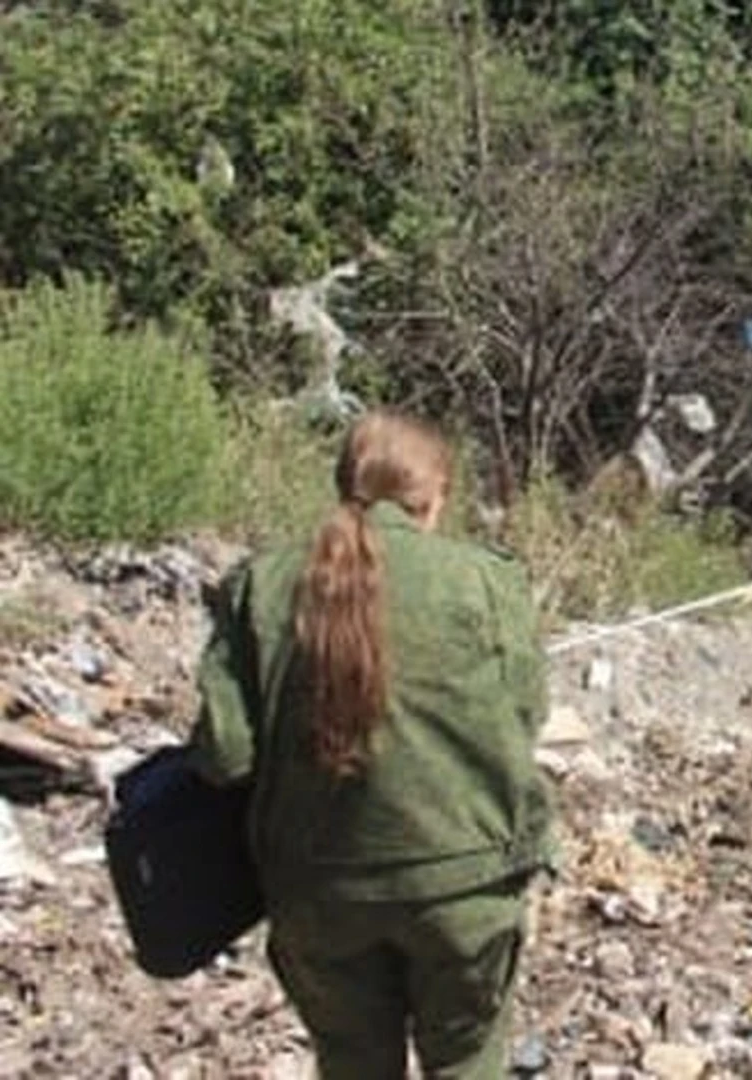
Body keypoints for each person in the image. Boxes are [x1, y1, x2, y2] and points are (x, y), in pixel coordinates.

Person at [189, 410, 554, 1079]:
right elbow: (527, 716)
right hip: (463, 884)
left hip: (317, 891)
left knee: (352, 1064)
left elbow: (225, 755)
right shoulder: (484, 578)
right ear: (434, 497)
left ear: (342, 488)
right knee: (468, 1062)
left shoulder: (261, 586)